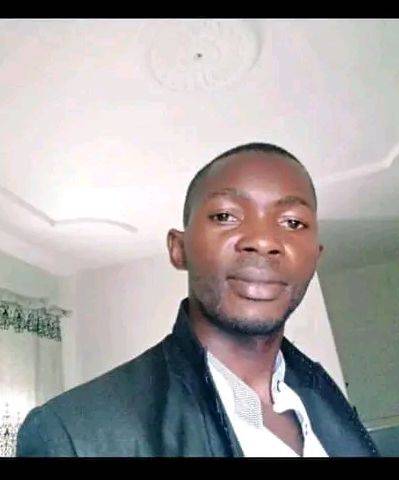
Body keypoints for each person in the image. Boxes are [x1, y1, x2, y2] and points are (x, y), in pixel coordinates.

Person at [16, 142, 379, 457]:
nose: (263, 240)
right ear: (179, 249)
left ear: (315, 257)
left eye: (293, 223)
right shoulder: (74, 434)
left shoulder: (325, 398)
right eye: (225, 216)